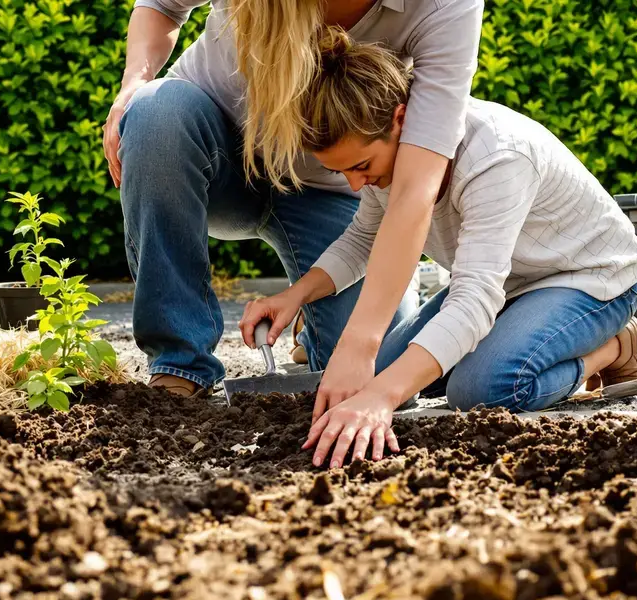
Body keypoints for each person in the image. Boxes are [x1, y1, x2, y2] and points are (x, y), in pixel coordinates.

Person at [239, 30, 637, 468]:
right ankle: (522, 336)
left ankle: (613, 347)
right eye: (344, 174)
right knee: (377, 373)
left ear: (399, 120)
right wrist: (294, 295)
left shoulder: (496, 157)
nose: (356, 185)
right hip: (509, 285)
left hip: (589, 280)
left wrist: (381, 398)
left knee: (482, 391)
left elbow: (474, 298)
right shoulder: (393, 158)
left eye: (361, 167)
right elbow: (363, 240)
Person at [103, 0, 484, 397]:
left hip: (329, 190)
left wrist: (361, 344)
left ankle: (309, 314)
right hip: (215, 156)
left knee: (379, 359)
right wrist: (135, 80)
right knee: (153, 113)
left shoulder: (445, 6)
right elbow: (162, 5)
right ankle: (180, 362)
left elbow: (412, 188)